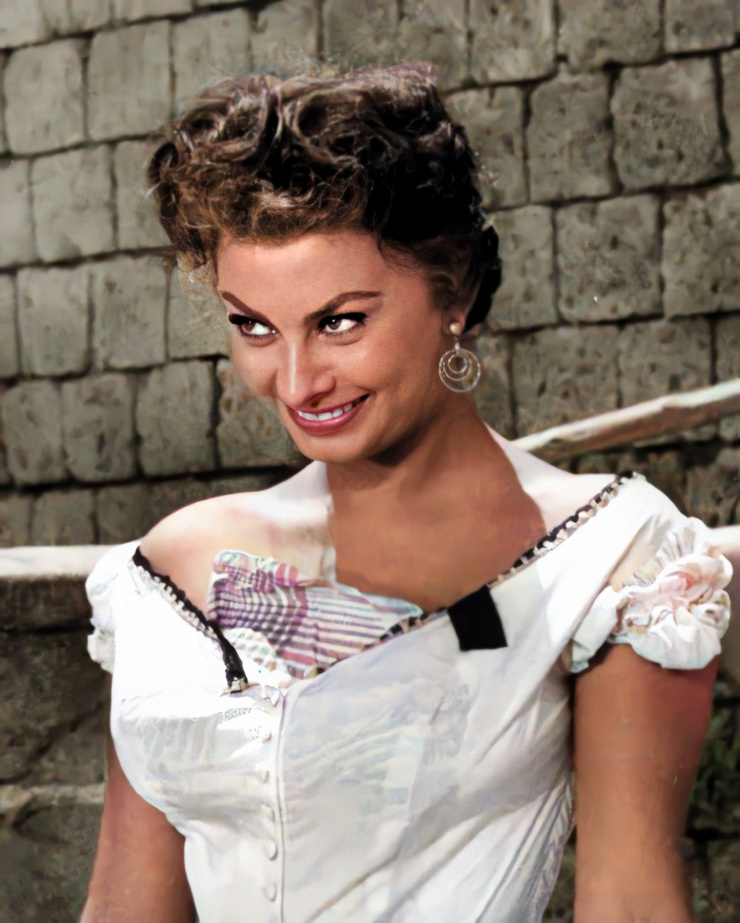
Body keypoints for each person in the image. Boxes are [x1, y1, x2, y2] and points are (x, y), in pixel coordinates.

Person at [81, 64, 733, 922]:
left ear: (452, 291)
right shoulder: (172, 568)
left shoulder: (612, 559)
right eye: (255, 326)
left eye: (341, 320)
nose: (297, 380)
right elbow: (121, 909)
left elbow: (632, 903)